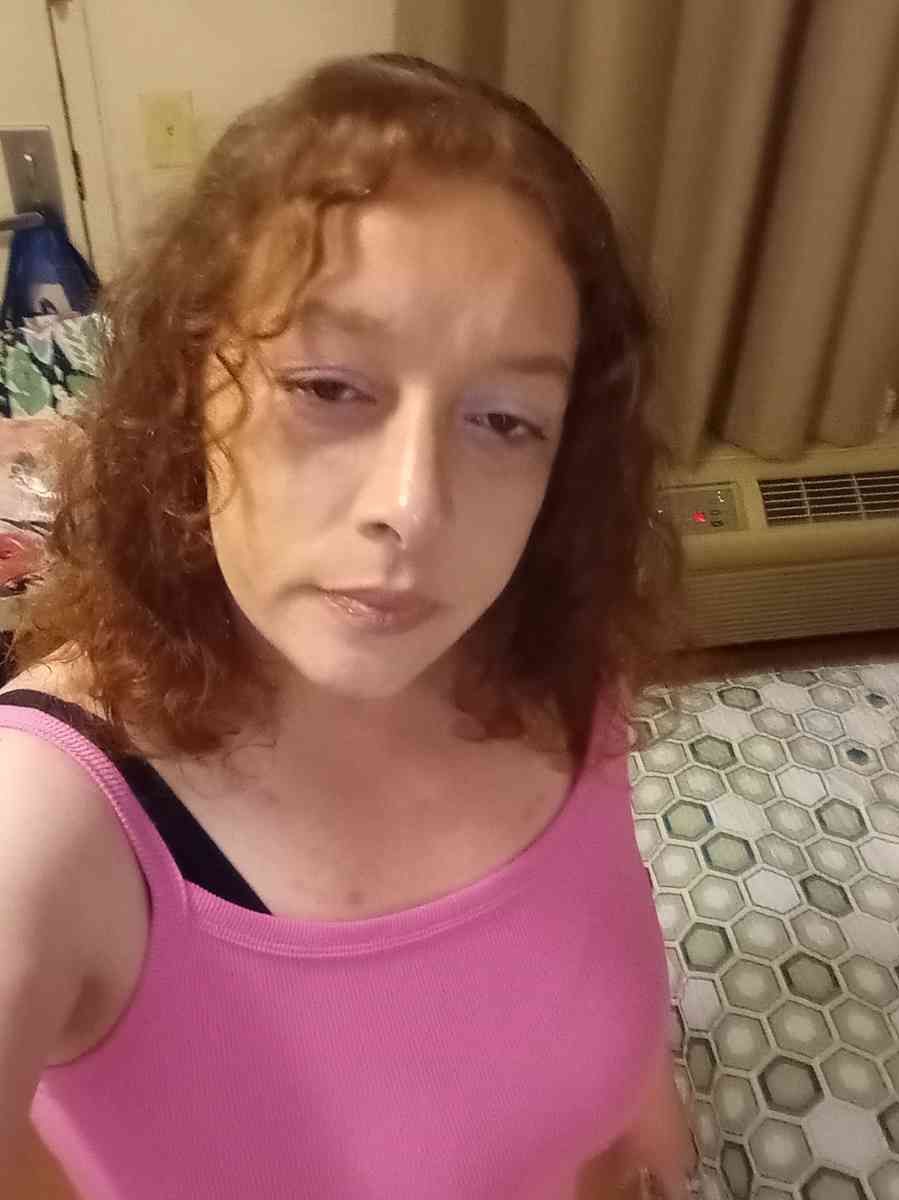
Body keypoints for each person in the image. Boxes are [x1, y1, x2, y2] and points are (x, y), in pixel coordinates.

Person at [0, 53, 693, 1200]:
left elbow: (584, 940)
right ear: (188, 387)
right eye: (328, 389)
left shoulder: (549, 652)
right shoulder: (51, 824)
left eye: (505, 420)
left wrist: (632, 1084)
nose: (413, 508)